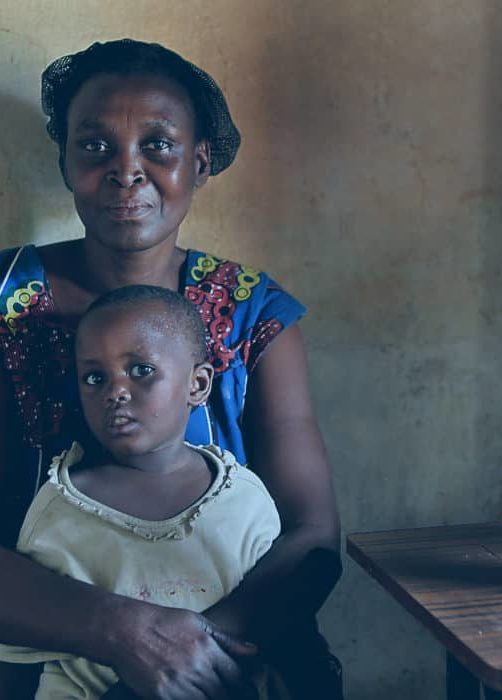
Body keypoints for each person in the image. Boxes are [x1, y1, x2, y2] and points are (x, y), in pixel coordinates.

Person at [0, 39, 342, 699]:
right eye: (96, 147)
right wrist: (122, 633)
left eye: (158, 145)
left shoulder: (253, 315)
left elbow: (312, 537)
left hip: (228, 650)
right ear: (66, 163)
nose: (127, 172)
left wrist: (188, 652)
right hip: (34, 646)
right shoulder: (4, 296)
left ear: (199, 162)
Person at [0, 284, 285, 699]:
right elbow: (20, 653)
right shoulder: (60, 508)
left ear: (198, 384)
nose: (115, 391)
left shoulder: (241, 496)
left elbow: (274, 621)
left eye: (140, 370)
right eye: (95, 378)